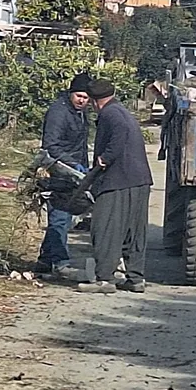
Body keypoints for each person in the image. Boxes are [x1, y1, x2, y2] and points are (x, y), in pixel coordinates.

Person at [79, 79, 153, 294]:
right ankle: (135, 278)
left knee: (106, 228)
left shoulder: (110, 114)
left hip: (118, 180)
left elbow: (119, 135)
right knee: (134, 231)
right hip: (139, 179)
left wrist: (105, 157)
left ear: (94, 102)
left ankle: (104, 279)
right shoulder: (121, 110)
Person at [36, 72, 92, 276]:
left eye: (86, 98)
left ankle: (44, 261)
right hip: (60, 171)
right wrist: (72, 164)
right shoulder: (58, 112)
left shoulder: (81, 113)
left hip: (75, 172)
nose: (82, 101)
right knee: (60, 216)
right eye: (79, 96)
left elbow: (81, 144)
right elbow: (50, 145)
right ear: (71, 93)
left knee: (65, 218)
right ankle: (60, 261)